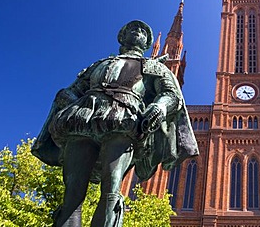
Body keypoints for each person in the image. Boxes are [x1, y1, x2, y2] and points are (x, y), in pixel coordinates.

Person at [32, 20, 198, 227]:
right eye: (133, 29)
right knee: (72, 194)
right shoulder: (101, 64)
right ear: (122, 36)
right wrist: (71, 100)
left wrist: (160, 107)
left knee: (111, 190)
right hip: (84, 122)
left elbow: (171, 94)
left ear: (147, 43)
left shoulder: (153, 66)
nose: (137, 32)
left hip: (124, 123)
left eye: (142, 31)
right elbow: (74, 89)